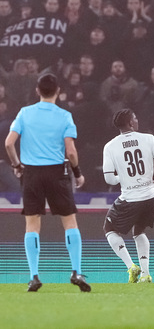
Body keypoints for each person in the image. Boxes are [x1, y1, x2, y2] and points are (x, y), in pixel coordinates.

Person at [4, 73, 91, 292]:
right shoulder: (64, 116)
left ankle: (34, 276)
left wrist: (16, 166)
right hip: (56, 172)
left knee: (32, 224)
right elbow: (70, 151)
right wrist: (77, 173)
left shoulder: (25, 113)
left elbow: (8, 143)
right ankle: (76, 271)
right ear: (58, 91)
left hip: (31, 174)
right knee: (69, 221)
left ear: (37, 91)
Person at [102, 109, 154, 283]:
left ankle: (131, 266)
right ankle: (146, 274)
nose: (137, 120)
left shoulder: (110, 146)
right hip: (150, 196)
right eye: (135, 118)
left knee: (109, 229)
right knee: (139, 231)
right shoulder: (148, 139)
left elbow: (109, 179)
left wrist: (124, 177)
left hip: (130, 197)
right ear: (130, 123)